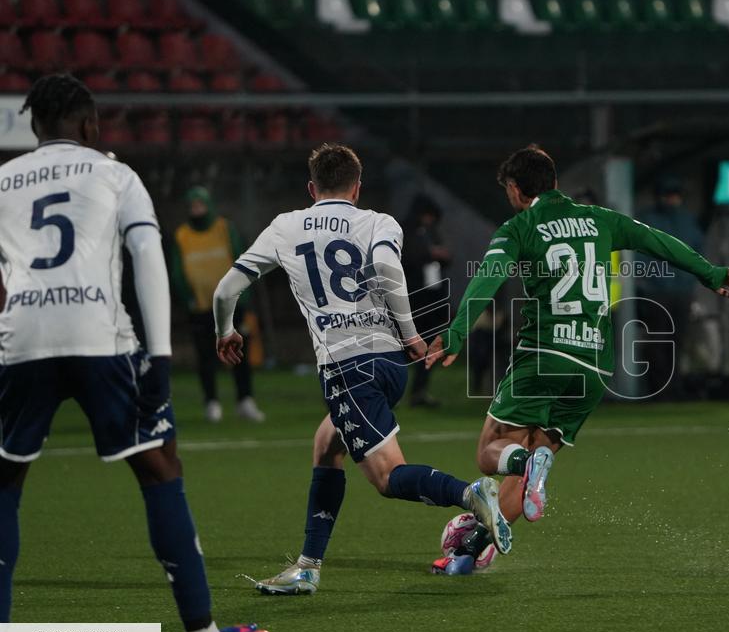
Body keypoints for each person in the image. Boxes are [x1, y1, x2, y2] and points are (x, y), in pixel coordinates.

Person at [0, 74, 270, 632]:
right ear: (91, 125)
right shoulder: (115, 173)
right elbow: (146, 256)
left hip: (21, 340)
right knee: (158, 466)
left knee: (5, 481)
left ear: (33, 127)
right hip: (100, 338)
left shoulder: (2, 181)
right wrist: (163, 356)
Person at [424, 146, 729, 573]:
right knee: (527, 479)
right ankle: (470, 555)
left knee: (490, 455)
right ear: (555, 183)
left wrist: (458, 331)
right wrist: (712, 273)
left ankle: (523, 468)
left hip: (544, 357)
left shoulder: (519, 227)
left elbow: (488, 279)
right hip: (593, 368)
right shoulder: (602, 221)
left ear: (517, 190)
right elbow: (659, 242)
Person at [212, 143, 512, 592]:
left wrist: (226, 330)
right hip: (388, 361)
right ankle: (308, 567)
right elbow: (388, 269)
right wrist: (410, 335)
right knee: (327, 444)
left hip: (347, 367)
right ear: (357, 186)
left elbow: (224, 291)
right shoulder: (379, 221)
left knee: (388, 477)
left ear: (312, 187)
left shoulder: (285, 226)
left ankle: (470, 494)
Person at [171, 186, 264, 423]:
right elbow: (177, 272)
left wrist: (243, 296)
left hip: (232, 305)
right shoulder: (182, 235)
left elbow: (242, 260)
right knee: (205, 357)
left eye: (200, 205)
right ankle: (211, 402)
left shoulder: (224, 228)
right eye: (193, 206)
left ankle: (245, 400)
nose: (197, 210)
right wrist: (187, 298)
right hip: (200, 307)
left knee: (239, 354)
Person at [635, 174, 704, 397]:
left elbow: (697, 253)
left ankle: (673, 386)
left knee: (676, 341)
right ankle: (659, 387)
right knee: (658, 342)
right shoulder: (649, 219)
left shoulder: (686, 220)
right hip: (656, 291)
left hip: (680, 291)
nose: (671, 199)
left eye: (674, 195)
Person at [400, 194, 451, 407]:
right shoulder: (404, 230)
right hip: (411, 300)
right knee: (403, 348)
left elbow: (443, 257)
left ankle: (419, 392)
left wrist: (440, 255)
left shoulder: (431, 232)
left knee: (430, 346)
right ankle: (392, 391)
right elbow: (408, 257)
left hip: (433, 299)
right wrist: (429, 253)